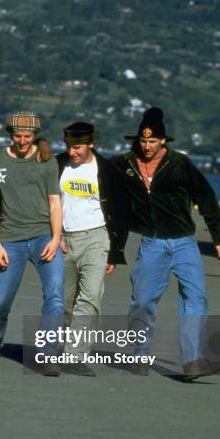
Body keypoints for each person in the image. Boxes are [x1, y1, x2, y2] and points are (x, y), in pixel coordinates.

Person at [112, 107, 220, 381]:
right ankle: (139, 356)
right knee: (141, 301)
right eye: (143, 141)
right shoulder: (123, 164)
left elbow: (207, 196)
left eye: (153, 141)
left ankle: (193, 361)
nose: (147, 146)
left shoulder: (179, 163)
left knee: (195, 298)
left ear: (163, 140)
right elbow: (109, 198)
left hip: (184, 242)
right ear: (137, 139)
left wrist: (219, 236)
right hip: (152, 243)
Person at [0, 111, 65, 376]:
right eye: (17, 135)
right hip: (11, 238)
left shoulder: (46, 160)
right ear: (10, 134)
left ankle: (48, 354)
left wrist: (56, 238)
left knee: (54, 296)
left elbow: (55, 202)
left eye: (27, 136)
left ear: (35, 135)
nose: (22, 141)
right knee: (0, 300)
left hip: (44, 236)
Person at [56, 122, 127, 376]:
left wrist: (115, 252)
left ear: (91, 144)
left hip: (97, 238)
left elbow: (120, 213)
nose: (72, 152)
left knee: (90, 298)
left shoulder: (107, 170)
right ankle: (63, 347)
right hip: (63, 238)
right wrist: (54, 237)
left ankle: (75, 356)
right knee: (64, 301)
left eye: (77, 147)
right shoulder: (57, 165)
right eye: (68, 147)